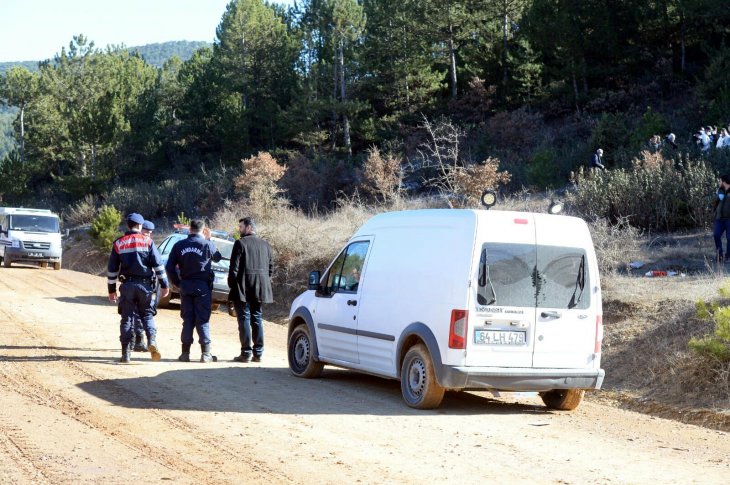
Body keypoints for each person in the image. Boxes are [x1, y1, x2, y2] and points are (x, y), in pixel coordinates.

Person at [107, 213, 170, 363]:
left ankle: (126, 354)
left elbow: (112, 270)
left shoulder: (118, 243)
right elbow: (158, 266)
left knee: (127, 318)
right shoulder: (148, 242)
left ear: (127, 225)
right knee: (147, 315)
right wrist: (164, 285)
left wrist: (111, 290)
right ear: (140, 226)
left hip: (127, 285)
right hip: (145, 286)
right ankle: (152, 341)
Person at [165, 219, 222, 363]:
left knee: (187, 320)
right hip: (202, 286)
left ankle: (185, 354)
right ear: (203, 231)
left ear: (189, 229)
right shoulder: (207, 244)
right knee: (202, 320)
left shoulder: (179, 245)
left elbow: (169, 266)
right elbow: (218, 258)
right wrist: (209, 239)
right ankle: (205, 354)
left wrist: (177, 283)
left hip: (186, 285)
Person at [228, 217, 273, 363]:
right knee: (257, 318)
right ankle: (258, 353)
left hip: (243, 287)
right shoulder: (266, 245)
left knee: (244, 319)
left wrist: (232, 286)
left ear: (248, 227)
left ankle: (246, 353)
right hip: (260, 287)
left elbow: (233, 269)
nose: (239, 230)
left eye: (240, 227)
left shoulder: (240, 243)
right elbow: (270, 268)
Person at [132, 220, 158, 352]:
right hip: (143, 284)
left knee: (144, 312)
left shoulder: (149, 243)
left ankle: (141, 340)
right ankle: (140, 340)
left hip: (145, 284)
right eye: (146, 232)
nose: (148, 235)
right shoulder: (145, 244)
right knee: (139, 313)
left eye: (150, 233)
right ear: (140, 229)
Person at [713, 175, 730, 264]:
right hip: (719, 219)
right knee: (716, 235)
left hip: (729, 219)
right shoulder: (720, 190)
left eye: (720, 181)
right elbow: (717, 202)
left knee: (729, 238)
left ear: (724, 182)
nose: (719, 183)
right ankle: (719, 255)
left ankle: (728, 256)